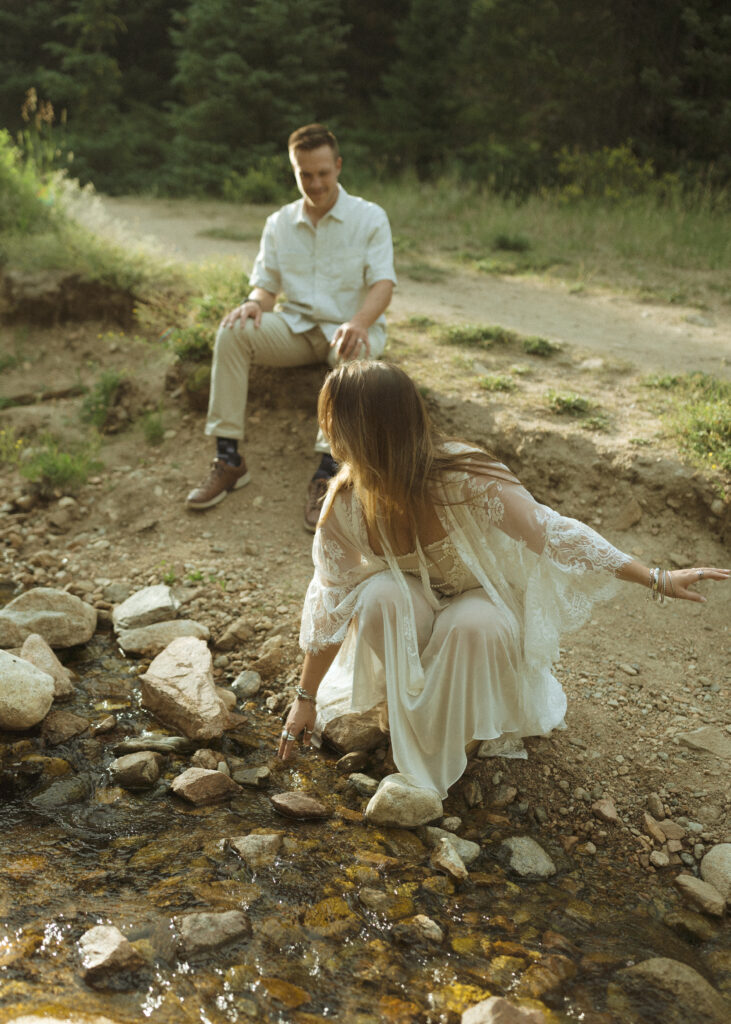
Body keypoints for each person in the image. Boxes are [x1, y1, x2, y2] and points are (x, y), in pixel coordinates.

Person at [277, 361, 728, 805]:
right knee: (378, 596)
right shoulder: (344, 504)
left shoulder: (462, 477)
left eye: (333, 416)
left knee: (473, 624)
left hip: (482, 604)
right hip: (415, 607)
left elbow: (553, 533)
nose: (327, 428)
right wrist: (306, 698)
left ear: (367, 426)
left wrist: (656, 577)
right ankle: (410, 715)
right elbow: (330, 602)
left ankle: (452, 737)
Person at [186, 123, 397, 532]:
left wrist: (359, 321)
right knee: (232, 331)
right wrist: (251, 305)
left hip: (352, 331)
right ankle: (229, 459)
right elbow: (266, 288)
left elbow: (383, 284)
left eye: (323, 173)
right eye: (305, 174)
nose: (315, 183)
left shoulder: (369, 217)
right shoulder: (279, 222)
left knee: (352, 353)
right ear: (294, 170)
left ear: (337, 166)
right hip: (297, 329)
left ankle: (327, 471)